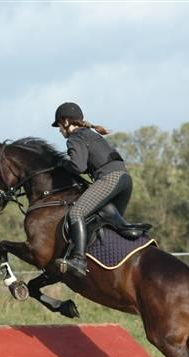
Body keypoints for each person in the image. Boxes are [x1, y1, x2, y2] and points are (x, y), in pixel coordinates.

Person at [51, 101, 134, 278]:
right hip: (125, 179)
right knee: (105, 223)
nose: (59, 130)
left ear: (65, 121)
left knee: (76, 213)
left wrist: (61, 163)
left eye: (59, 125)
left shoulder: (76, 138)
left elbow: (78, 166)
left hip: (109, 179)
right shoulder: (89, 133)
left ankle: (79, 260)